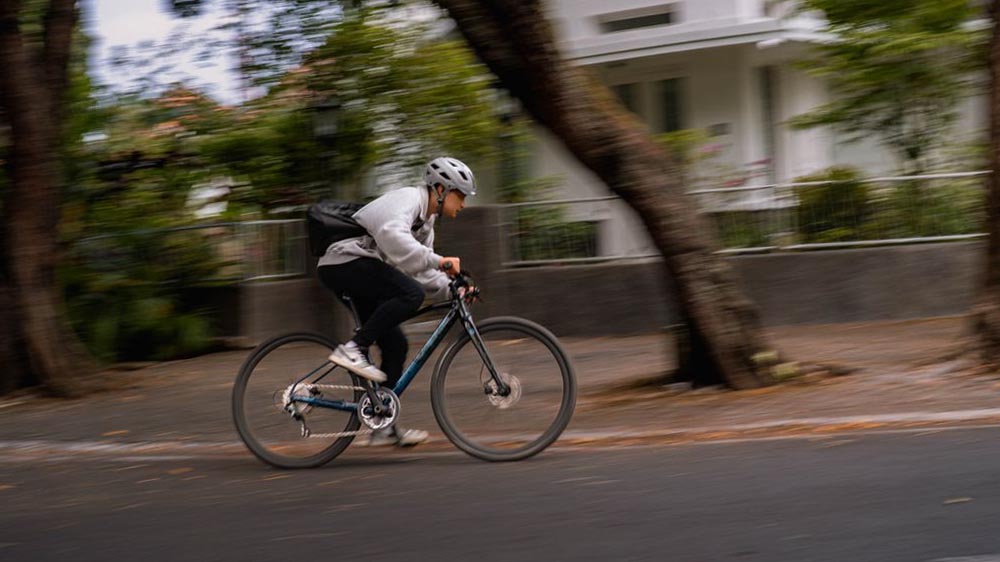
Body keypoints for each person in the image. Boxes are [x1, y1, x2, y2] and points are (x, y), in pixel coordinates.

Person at [317, 156, 475, 447]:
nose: (463, 204)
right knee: (410, 294)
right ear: (440, 189)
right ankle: (353, 348)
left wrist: (452, 287)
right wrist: (442, 262)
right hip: (344, 263)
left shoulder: (426, 223)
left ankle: (381, 425)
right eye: (460, 196)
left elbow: (420, 268)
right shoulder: (407, 199)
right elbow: (393, 237)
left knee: (396, 344)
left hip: (362, 270)